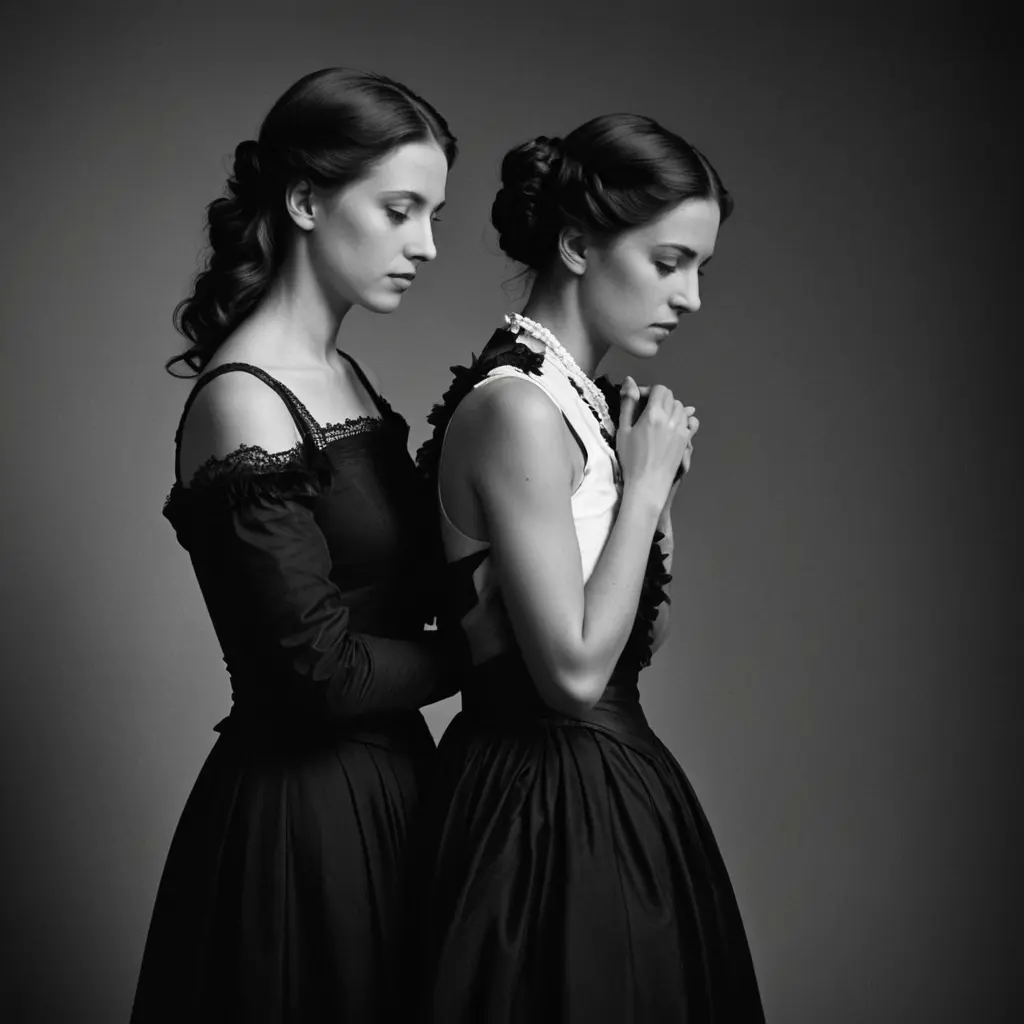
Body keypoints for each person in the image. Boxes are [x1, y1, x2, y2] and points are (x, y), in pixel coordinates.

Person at [412, 113, 764, 1021]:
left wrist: (655, 494)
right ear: (576, 243)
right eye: (667, 261)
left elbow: (637, 638)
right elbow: (572, 675)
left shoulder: (584, 404)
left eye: (700, 269)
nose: (689, 297)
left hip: (602, 793)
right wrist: (644, 491)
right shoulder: (518, 409)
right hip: (538, 813)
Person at [130, 67, 459, 1023]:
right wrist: (480, 651)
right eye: (401, 210)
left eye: (432, 215)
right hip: (303, 828)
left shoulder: (342, 373)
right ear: (307, 200)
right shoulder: (244, 399)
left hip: (401, 792)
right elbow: (319, 674)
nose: (427, 245)